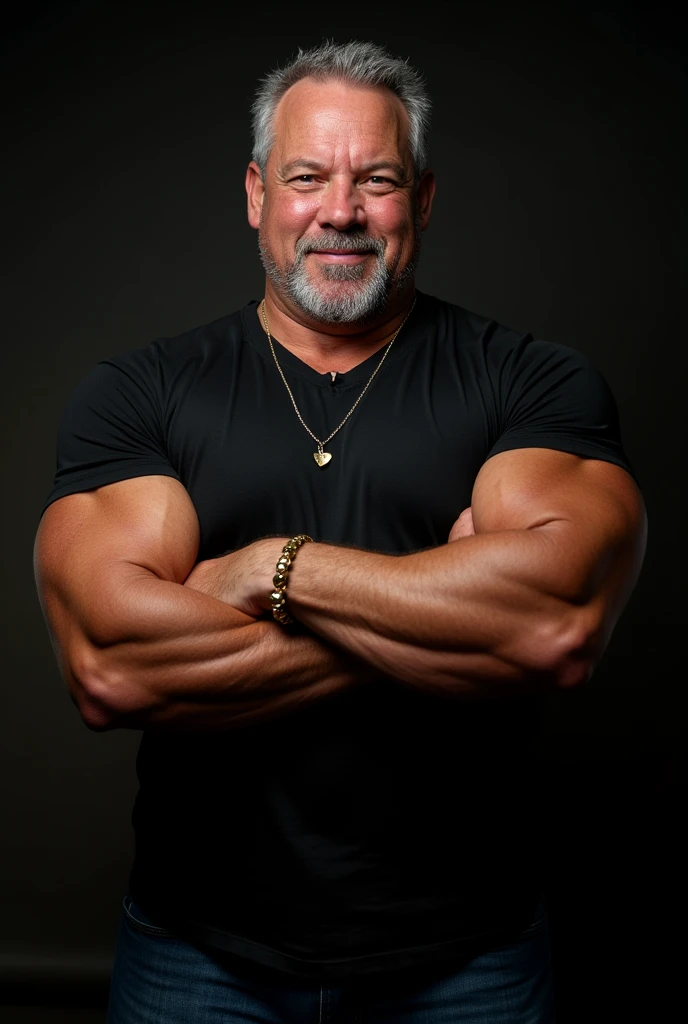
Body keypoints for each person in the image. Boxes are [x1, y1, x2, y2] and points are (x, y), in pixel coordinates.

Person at [34, 39, 647, 1024]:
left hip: (467, 962)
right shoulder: (139, 394)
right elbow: (109, 664)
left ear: (425, 199)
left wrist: (266, 569)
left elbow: (555, 624)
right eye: (307, 176)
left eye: (377, 180)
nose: (342, 211)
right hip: (201, 958)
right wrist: (446, 600)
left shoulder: (532, 381)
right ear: (254, 193)